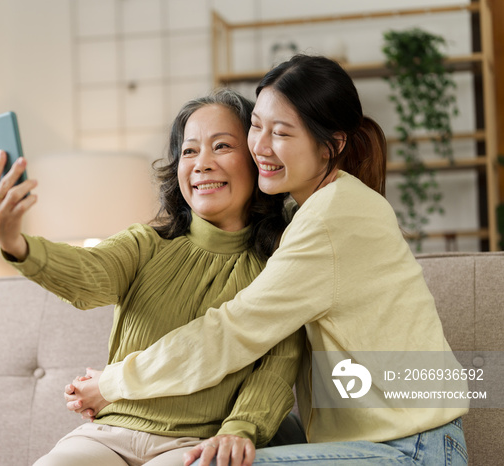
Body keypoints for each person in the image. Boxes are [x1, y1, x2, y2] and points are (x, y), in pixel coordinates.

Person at [65, 55, 469, 466]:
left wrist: (114, 383)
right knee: (225, 434)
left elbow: (231, 332)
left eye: (281, 133)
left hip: (414, 450)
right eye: (256, 125)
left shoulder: (331, 219)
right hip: (366, 439)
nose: (259, 146)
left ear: (332, 144)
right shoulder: (313, 212)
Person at [0, 88, 304, 466]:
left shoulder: (277, 268)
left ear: (255, 161)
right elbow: (88, 273)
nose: (202, 163)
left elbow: (277, 369)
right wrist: (16, 244)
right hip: (108, 435)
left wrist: (241, 428)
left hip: (195, 442)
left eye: (222, 146)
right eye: (189, 151)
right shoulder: (147, 244)